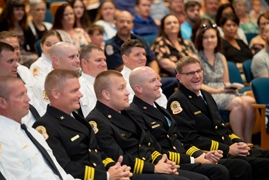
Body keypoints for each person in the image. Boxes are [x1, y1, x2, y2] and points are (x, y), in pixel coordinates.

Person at [126, 66, 252, 180]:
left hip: (184, 158)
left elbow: (181, 141)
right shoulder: (134, 113)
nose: (159, 84)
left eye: (158, 80)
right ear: (138, 88)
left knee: (239, 165)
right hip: (169, 162)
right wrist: (195, 159)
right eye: (153, 81)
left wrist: (202, 155)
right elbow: (153, 149)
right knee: (220, 171)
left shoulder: (161, 110)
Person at [86, 70, 209, 180]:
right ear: (106, 94)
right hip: (132, 172)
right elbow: (119, 158)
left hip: (151, 165)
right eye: (121, 88)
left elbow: (149, 143)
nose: (127, 93)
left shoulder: (125, 113)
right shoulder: (97, 121)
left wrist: (161, 161)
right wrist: (154, 168)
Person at [167, 56, 269, 180]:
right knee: (256, 165)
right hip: (213, 153)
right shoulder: (177, 101)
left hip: (228, 147)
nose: (197, 76)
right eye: (190, 73)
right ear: (179, 77)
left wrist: (239, 142)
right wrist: (228, 149)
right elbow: (191, 138)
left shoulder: (206, 95)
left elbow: (222, 128)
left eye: (199, 71)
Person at [32, 69, 134, 180]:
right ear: (56, 94)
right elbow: (65, 167)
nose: (80, 95)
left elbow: (97, 152)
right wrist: (106, 176)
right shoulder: (45, 126)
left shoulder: (78, 118)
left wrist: (115, 168)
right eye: (74, 91)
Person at [0, 76, 75, 180]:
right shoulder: (3, 139)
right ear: (2, 103)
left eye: (26, 93)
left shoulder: (31, 132)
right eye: (20, 95)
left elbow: (60, 173)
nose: (28, 99)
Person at [195, 23, 255, 143]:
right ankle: (240, 141)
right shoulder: (196, 58)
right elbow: (198, 85)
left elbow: (226, 81)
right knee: (238, 104)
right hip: (207, 93)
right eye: (206, 37)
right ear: (200, 40)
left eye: (212, 37)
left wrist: (232, 87)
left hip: (223, 90)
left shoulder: (221, 56)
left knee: (250, 102)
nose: (209, 40)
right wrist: (219, 90)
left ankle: (249, 141)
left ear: (218, 38)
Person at [0, 34, 45, 125]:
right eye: (10, 61)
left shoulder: (22, 72)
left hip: (40, 125)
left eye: (15, 60)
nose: (16, 65)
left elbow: (37, 104)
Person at [33, 42, 80, 111]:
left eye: (77, 56)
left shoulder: (80, 79)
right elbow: (48, 113)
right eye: (72, 57)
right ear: (56, 60)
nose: (78, 60)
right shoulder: (44, 84)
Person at [120, 39, 168, 107]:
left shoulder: (150, 75)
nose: (142, 58)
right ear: (125, 58)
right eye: (137, 55)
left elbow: (162, 100)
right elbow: (130, 106)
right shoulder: (122, 81)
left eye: (144, 54)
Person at [0, 0, 38, 66]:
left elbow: (33, 44)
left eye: (22, 10)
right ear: (9, 10)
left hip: (23, 54)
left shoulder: (25, 26)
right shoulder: (2, 24)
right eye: (17, 9)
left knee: (36, 57)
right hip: (6, 54)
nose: (21, 12)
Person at [79, 44, 107, 117]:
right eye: (98, 60)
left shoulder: (110, 83)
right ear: (84, 63)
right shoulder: (79, 87)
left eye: (104, 60)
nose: (104, 64)